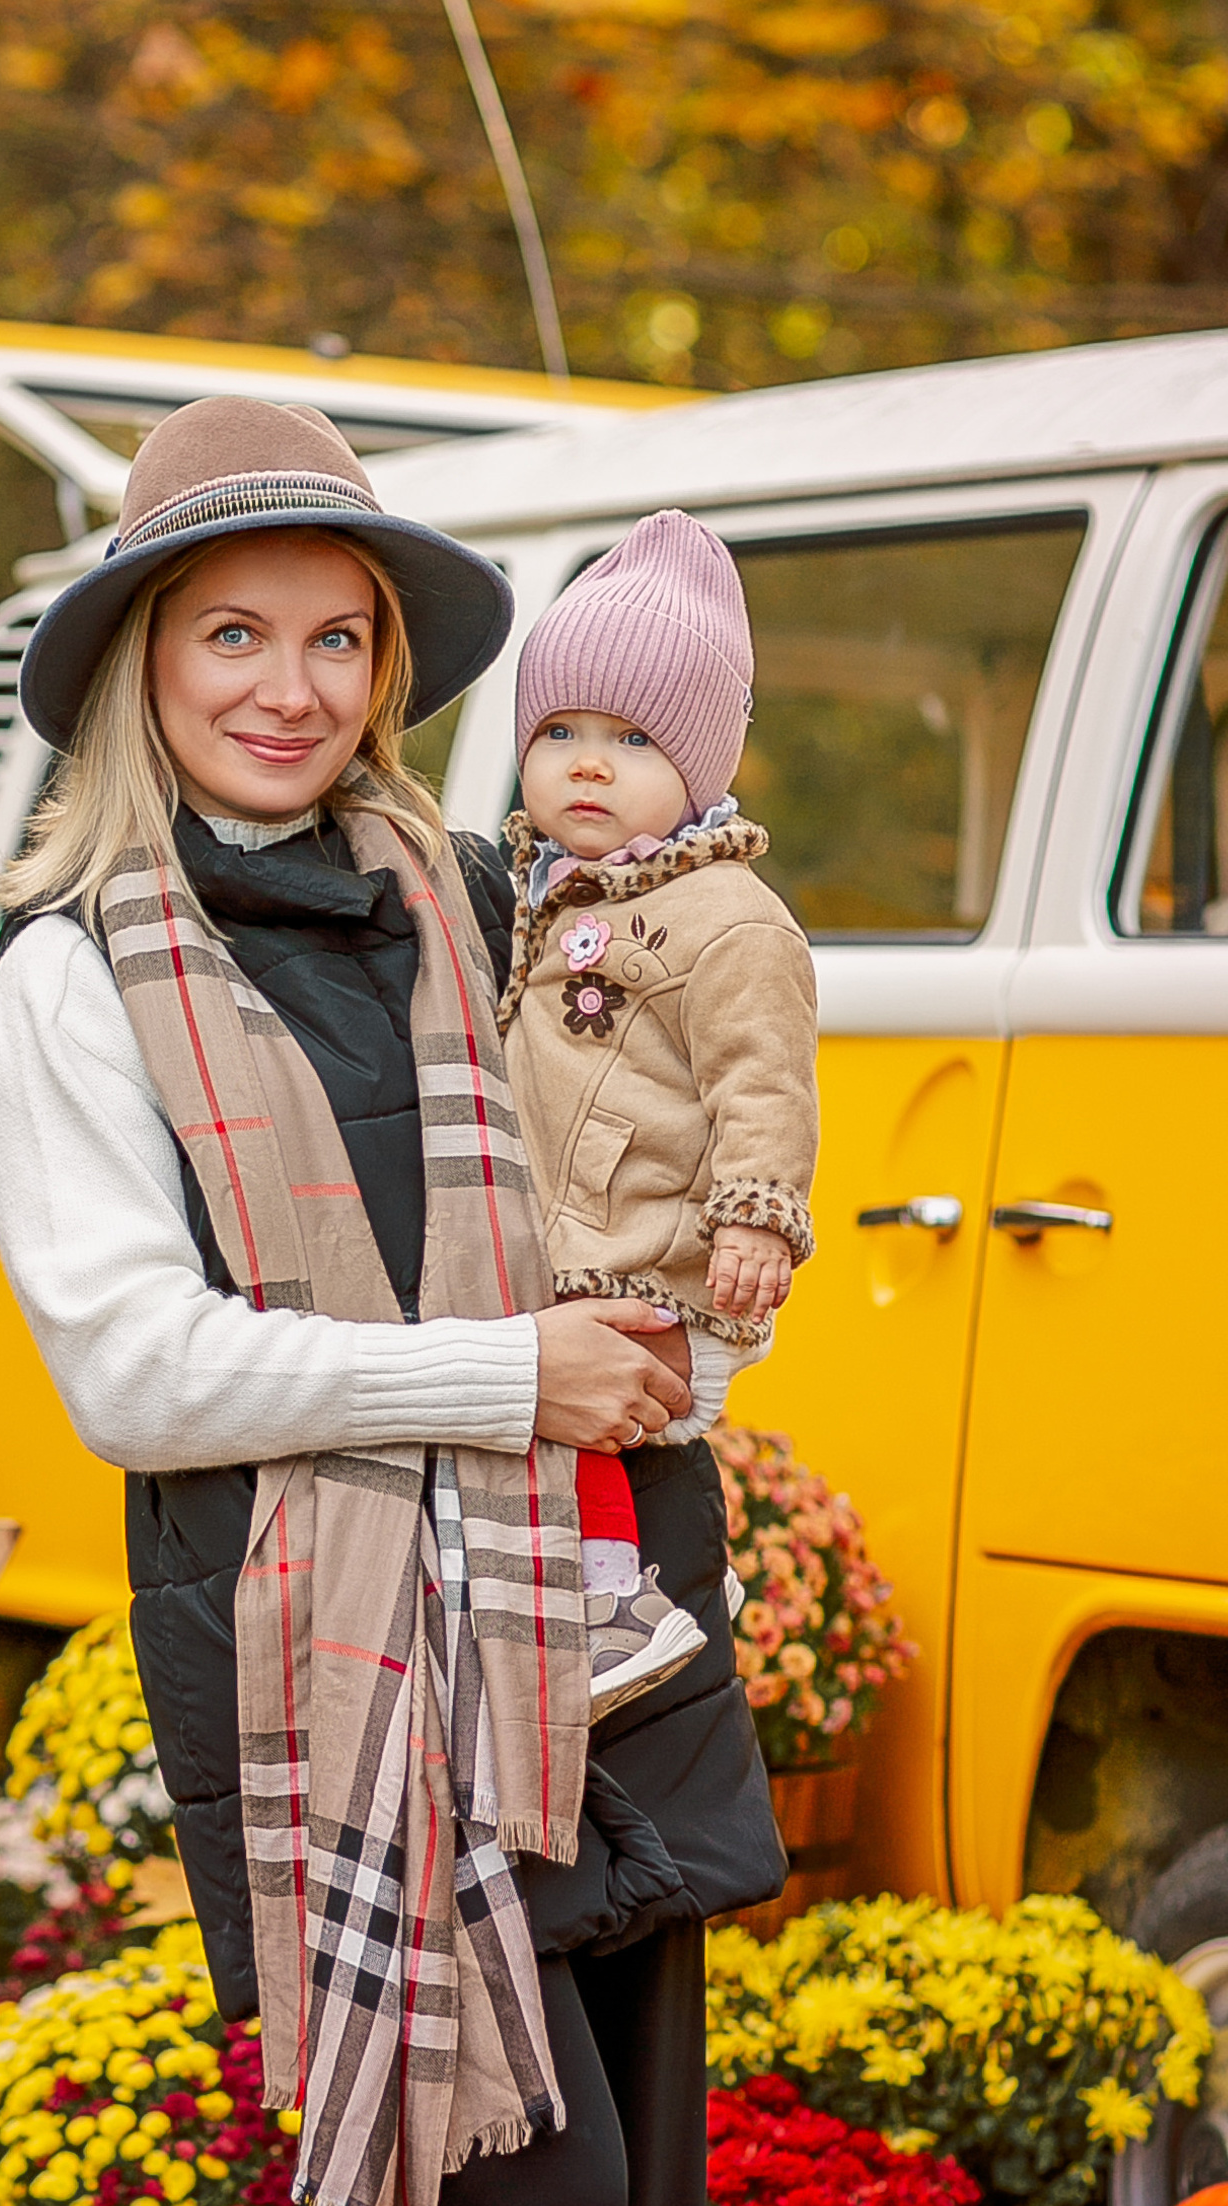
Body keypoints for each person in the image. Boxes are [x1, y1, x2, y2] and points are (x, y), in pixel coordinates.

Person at [0, 394, 781, 2206]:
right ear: (145, 657)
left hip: (587, 1624)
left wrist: (708, 1281)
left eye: (336, 639)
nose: (288, 687)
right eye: (232, 633)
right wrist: (504, 1374)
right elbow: (139, 1370)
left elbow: (647, 1172)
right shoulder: (78, 970)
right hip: (332, 1667)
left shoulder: (496, 895)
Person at [497, 510, 820, 1716]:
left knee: (581, 1408)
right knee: (562, 1405)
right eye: (560, 731)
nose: (587, 762)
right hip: (571, 1219)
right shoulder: (541, 886)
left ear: (700, 766)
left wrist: (756, 1216)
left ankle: (614, 1606)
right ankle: (657, 1580)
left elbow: (765, 1080)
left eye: (631, 738)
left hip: (642, 1234)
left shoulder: (724, 916)